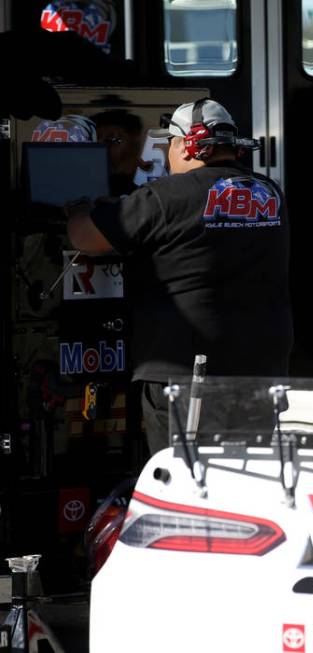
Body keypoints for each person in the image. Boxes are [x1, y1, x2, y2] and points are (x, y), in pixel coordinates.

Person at [66, 98, 292, 454]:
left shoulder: (166, 197)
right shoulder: (269, 192)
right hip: (260, 370)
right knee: (244, 480)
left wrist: (77, 206)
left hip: (186, 376)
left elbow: (85, 238)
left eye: (169, 144)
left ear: (185, 146)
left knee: (185, 489)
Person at [92, 109, 145, 196]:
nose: (103, 148)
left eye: (113, 140)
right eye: (96, 141)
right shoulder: (90, 190)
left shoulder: (147, 195)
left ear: (135, 143)